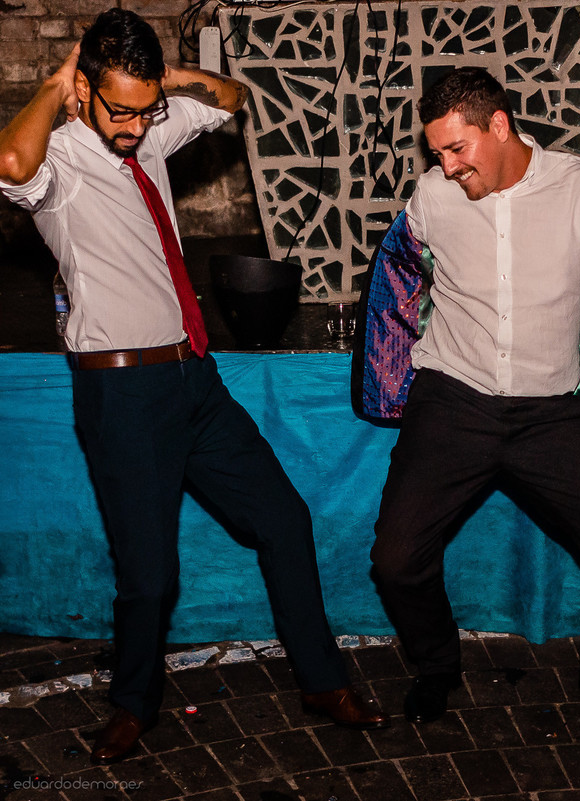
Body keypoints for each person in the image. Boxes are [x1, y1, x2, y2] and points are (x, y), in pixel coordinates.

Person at [0, 8, 386, 765]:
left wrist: (163, 81)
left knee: (284, 520)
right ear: (85, 89)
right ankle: (132, 704)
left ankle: (321, 680)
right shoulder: (60, 163)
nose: (134, 127)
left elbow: (233, 97)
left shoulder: (147, 129)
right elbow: (10, 163)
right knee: (150, 576)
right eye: (120, 109)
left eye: (145, 111)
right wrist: (55, 83)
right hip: (124, 396)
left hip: (194, 381)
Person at [352, 67, 580, 727]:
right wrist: (391, 368)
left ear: (499, 124)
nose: (446, 166)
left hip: (549, 413)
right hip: (453, 401)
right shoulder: (432, 197)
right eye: (436, 152)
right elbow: (398, 272)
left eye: (456, 148)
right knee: (396, 561)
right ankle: (436, 667)